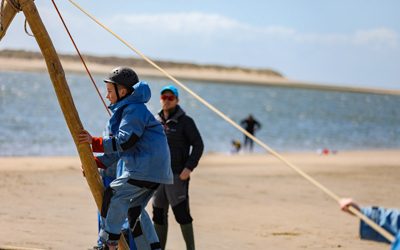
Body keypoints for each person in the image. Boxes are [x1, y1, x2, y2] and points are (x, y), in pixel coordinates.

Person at [79, 66, 173, 250]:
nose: (107, 96)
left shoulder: (134, 109)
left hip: (145, 168)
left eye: (109, 91)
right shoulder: (130, 109)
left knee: (113, 193)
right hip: (155, 170)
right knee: (135, 211)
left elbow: (126, 140)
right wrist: (98, 163)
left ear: (122, 91)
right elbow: (122, 149)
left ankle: (109, 243)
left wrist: (94, 142)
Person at [152, 85, 204, 250]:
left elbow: (198, 145)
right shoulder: (155, 121)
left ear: (177, 100)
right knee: (158, 215)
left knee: (182, 215)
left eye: (170, 98)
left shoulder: (186, 122)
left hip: (177, 176)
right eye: (164, 97)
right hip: (158, 177)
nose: (166, 100)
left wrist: (188, 168)